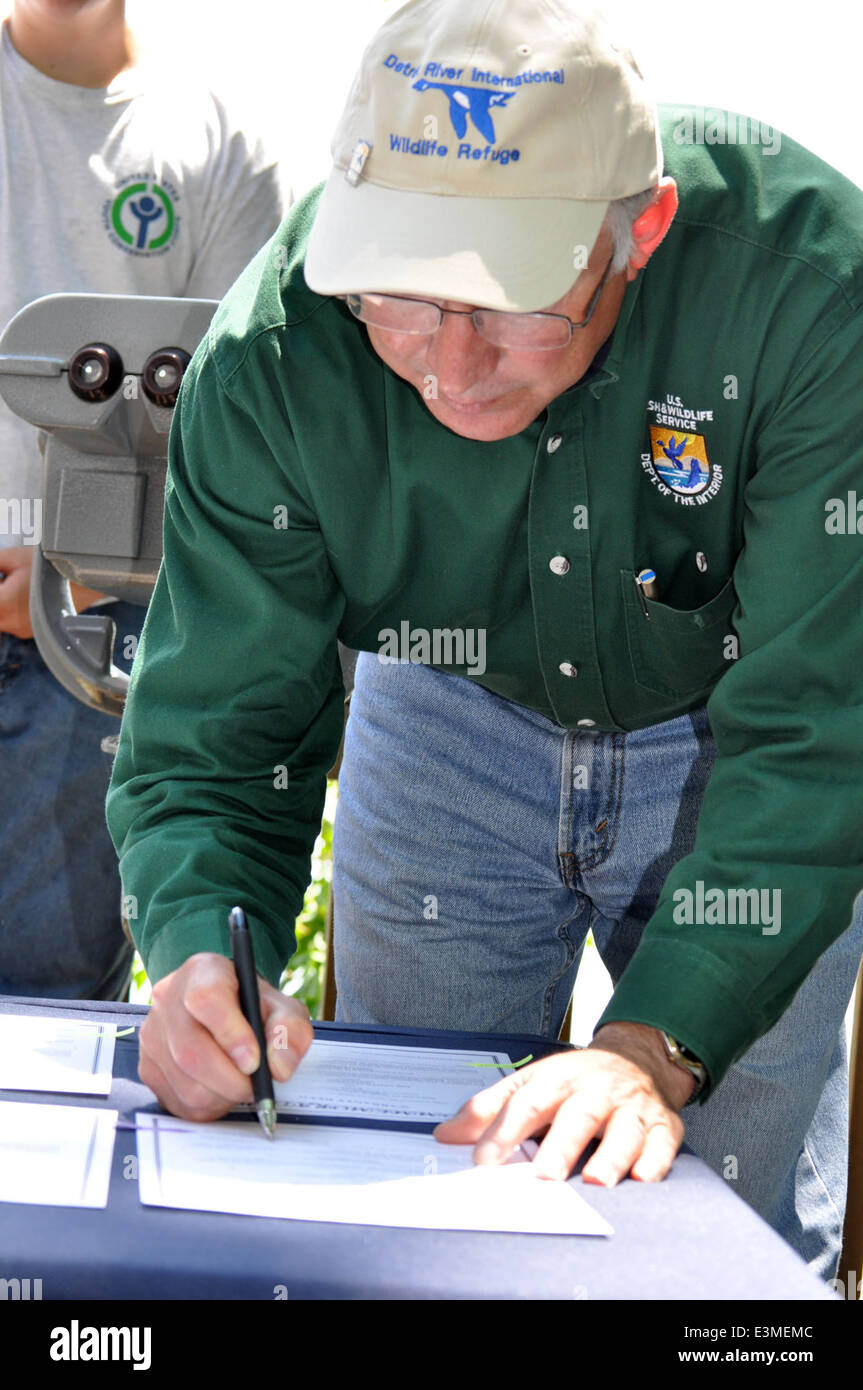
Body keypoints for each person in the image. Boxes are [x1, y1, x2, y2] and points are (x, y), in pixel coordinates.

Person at [105, 0, 863, 1280]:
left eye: (510, 306)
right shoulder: (276, 354)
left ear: (641, 231)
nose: (449, 367)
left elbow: (818, 732)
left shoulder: (807, 290)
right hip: (445, 713)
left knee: (728, 1237)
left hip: (734, 739)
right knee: (416, 1193)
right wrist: (197, 956)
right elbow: (216, 735)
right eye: (398, 297)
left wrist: (651, 1047)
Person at [0, 0, 286, 999]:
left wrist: (67, 560)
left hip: (91, 640)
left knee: (48, 994)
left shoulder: (219, 143)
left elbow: (230, 428)